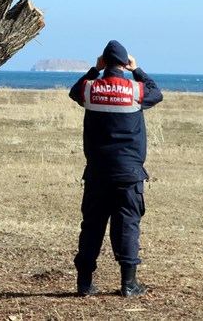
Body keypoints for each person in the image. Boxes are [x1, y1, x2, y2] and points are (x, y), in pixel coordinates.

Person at [69, 40, 163, 298]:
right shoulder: (134, 90)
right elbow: (156, 92)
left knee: (92, 227)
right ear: (124, 63)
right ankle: (128, 283)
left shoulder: (90, 89)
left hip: (97, 172)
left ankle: (84, 283)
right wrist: (138, 69)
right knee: (128, 225)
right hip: (129, 173)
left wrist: (93, 70)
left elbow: (74, 92)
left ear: (104, 62)